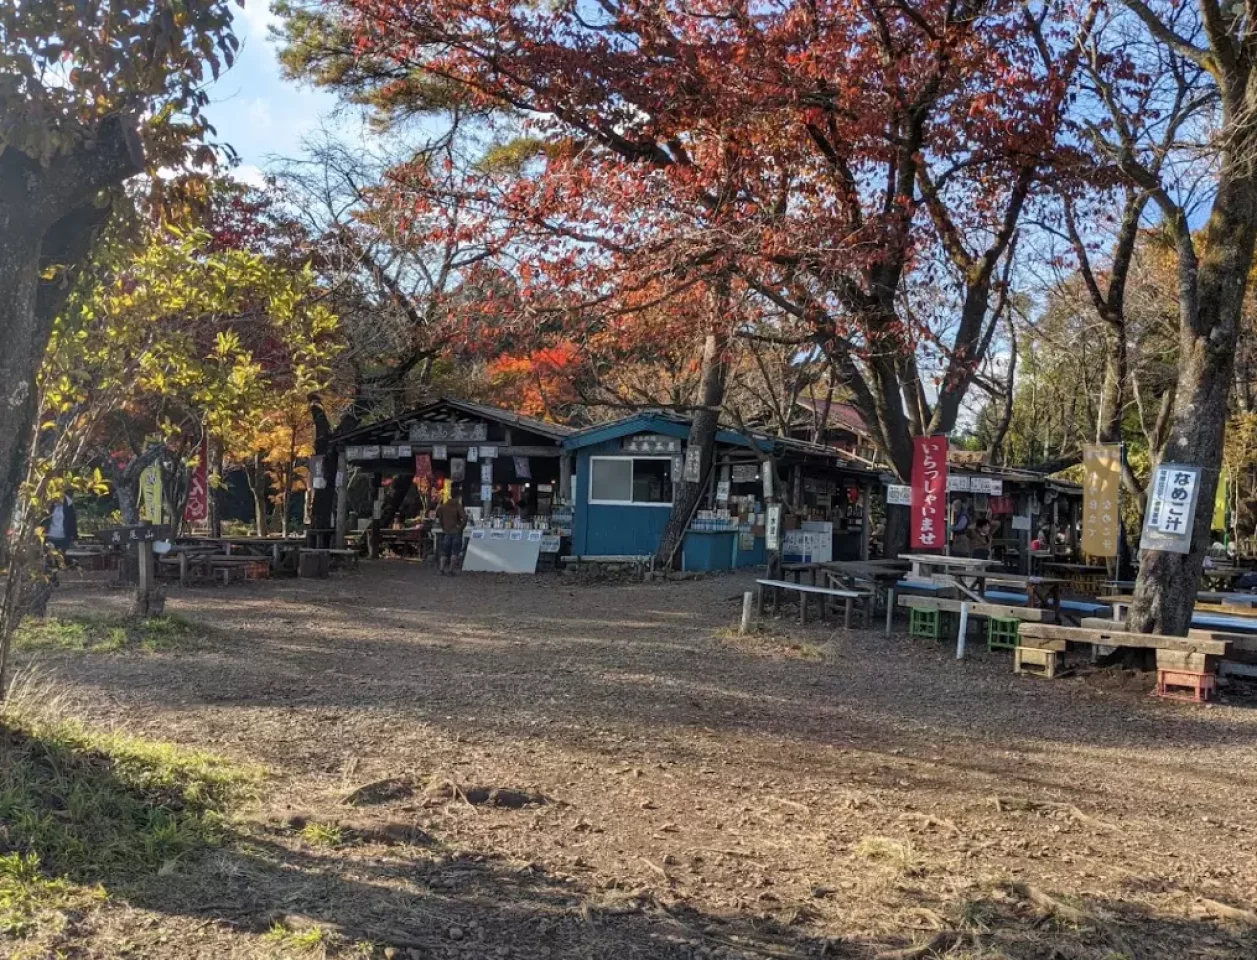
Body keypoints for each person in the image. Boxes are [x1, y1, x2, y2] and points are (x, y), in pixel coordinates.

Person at [435, 489, 468, 575]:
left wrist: (443, 528)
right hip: (456, 531)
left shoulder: (443, 506)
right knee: (455, 551)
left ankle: (441, 569)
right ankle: (450, 570)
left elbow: (439, 517)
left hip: (447, 531)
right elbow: (464, 518)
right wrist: (461, 527)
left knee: (444, 551)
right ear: (458, 497)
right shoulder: (458, 506)